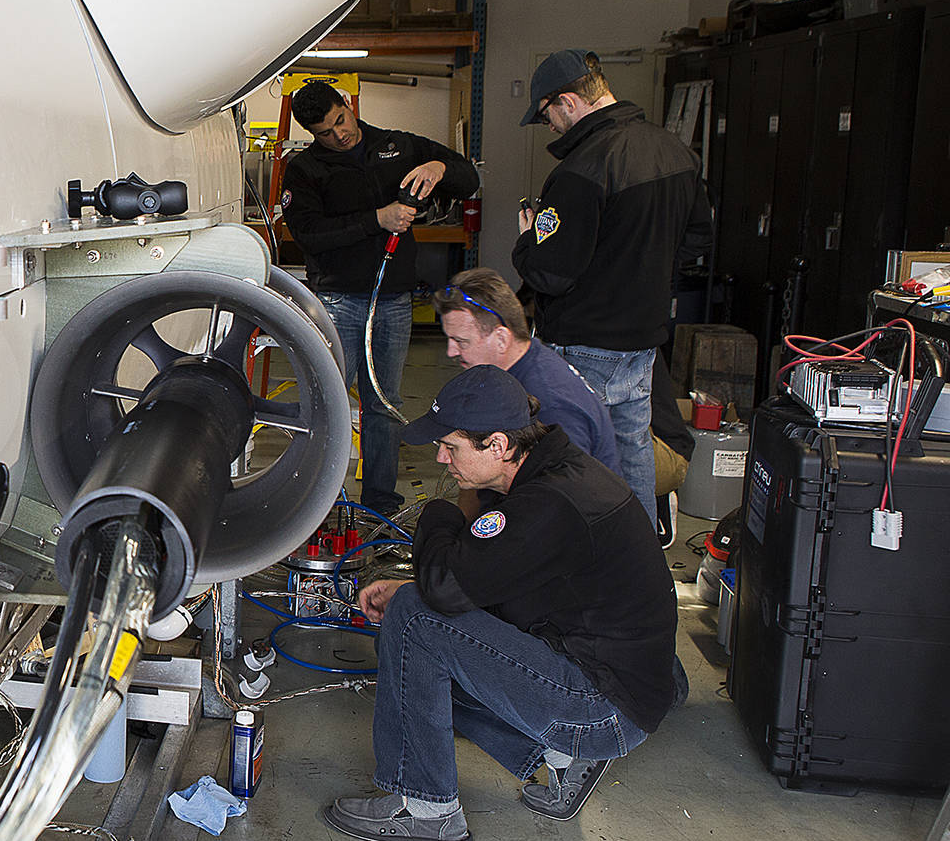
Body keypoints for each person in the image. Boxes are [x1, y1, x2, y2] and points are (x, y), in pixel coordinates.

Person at [324, 367, 678, 841]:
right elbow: (491, 579)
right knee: (418, 654)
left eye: (451, 447)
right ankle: (560, 757)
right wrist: (422, 579)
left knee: (412, 615)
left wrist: (441, 513)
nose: (441, 459)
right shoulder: (553, 472)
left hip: (602, 708)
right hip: (621, 685)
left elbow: (445, 590)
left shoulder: (549, 503)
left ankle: (424, 807)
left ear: (497, 445)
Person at [511, 49, 714, 505]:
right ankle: (638, 560)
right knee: (632, 447)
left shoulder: (580, 171)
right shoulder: (675, 152)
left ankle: (586, 567)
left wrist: (527, 241)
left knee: (575, 460)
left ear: (567, 101)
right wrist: (643, 273)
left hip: (586, 344)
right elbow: (698, 239)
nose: (549, 126)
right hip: (642, 340)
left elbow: (550, 273)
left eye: (546, 115)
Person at [283, 80, 479, 514]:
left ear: (347, 106)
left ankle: (379, 508)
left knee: (384, 406)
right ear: (312, 134)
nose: (340, 135)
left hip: (392, 301)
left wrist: (439, 169)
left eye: (341, 121)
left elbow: (470, 178)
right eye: (325, 132)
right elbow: (309, 235)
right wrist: (378, 219)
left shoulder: (397, 146)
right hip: (336, 302)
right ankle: (319, 505)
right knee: (328, 406)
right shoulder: (304, 170)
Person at [433, 268, 617, 472]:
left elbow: (570, 493)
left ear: (501, 339)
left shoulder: (549, 403)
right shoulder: (514, 368)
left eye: (461, 341)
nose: (451, 352)